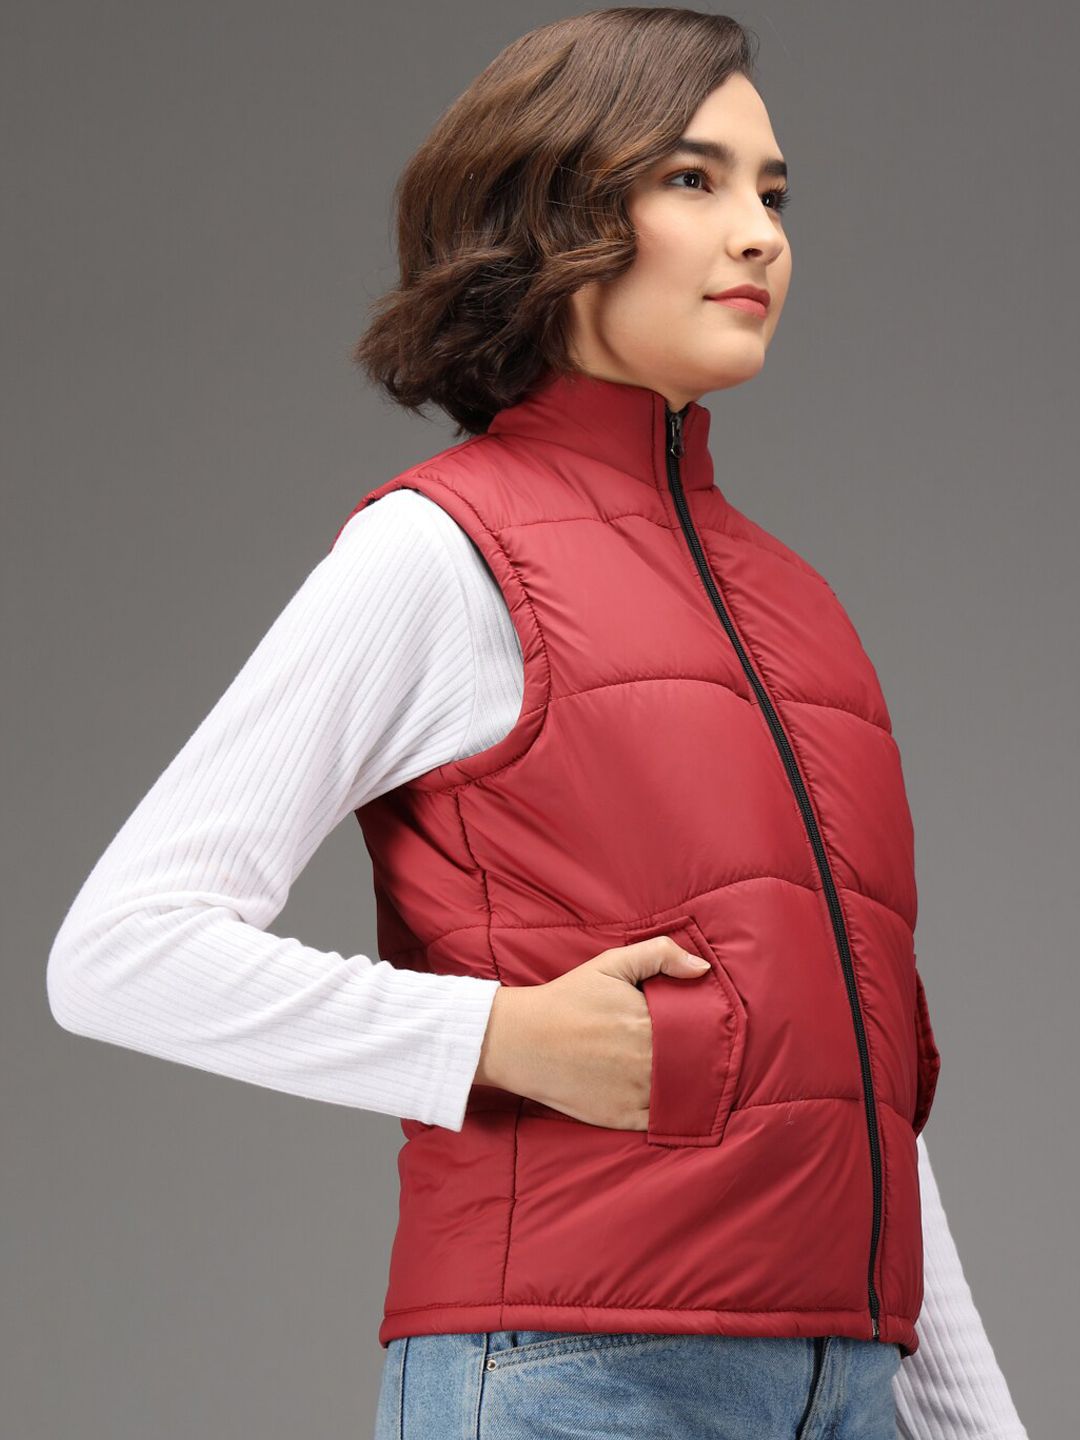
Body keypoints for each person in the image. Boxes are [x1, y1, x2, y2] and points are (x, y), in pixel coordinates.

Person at [46, 8, 1028, 1439]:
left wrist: (972, 1422)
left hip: (849, 1387)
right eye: (692, 179)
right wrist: (498, 1034)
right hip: (575, 1379)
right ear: (554, 215)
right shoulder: (442, 552)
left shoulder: (807, 616)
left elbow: (863, 1108)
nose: (759, 233)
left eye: (774, 193)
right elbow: (120, 952)